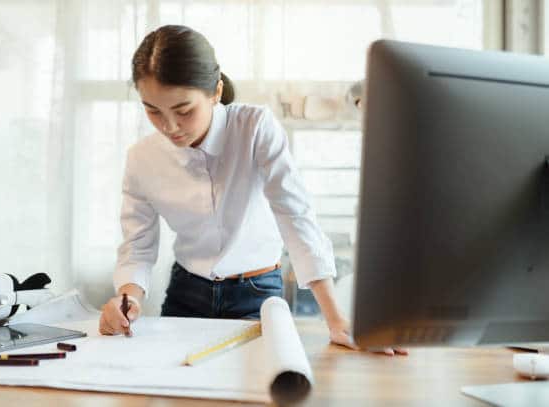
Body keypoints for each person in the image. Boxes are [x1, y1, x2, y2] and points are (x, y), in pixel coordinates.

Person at [99, 25, 404, 355]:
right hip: (186, 294)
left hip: (257, 294)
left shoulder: (255, 128)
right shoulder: (142, 158)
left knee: (260, 380)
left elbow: (295, 216)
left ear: (215, 92)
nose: (169, 126)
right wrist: (127, 300)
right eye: (153, 110)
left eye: (184, 111)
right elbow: (138, 246)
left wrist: (336, 318)